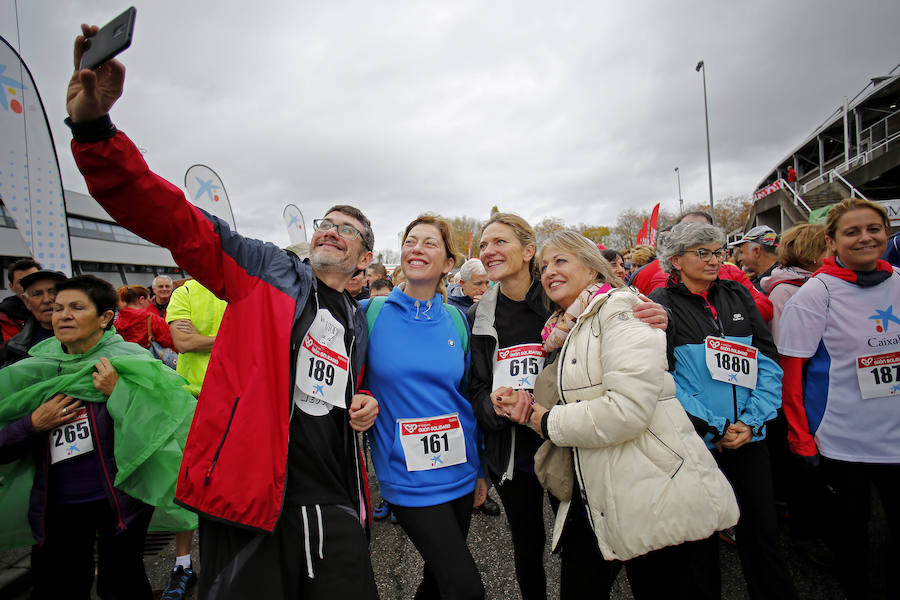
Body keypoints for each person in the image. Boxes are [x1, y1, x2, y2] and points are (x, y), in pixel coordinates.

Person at [65, 26, 380, 599]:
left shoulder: (357, 318)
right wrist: (94, 131)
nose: (330, 230)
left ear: (365, 254)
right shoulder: (266, 272)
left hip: (335, 496)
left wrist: (363, 403)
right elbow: (170, 216)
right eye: (324, 223)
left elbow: (343, 390)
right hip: (253, 495)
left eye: (347, 228)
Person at [521, 231, 738, 599]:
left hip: (649, 490)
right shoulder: (564, 328)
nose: (548, 272)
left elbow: (626, 411)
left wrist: (542, 421)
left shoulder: (621, 309)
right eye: (543, 266)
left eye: (560, 261)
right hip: (595, 489)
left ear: (592, 269)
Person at [469, 213, 669, 600]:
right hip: (515, 453)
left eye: (500, 242)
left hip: (576, 443)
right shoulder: (478, 316)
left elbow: (618, 315)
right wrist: (493, 407)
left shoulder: (561, 297)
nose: (489, 251)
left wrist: (664, 316)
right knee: (528, 547)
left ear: (528, 251)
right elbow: (475, 387)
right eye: (483, 245)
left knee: (589, 541)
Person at [0, 275, 197, 599]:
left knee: (121, 584)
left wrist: (118, 392)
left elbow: (164, 427)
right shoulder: (31, 370)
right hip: (54, 506)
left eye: (77, 307)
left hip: (122, 505)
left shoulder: (132, 362)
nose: (63, 314)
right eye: (59, 308)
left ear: (105, 317)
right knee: (58, 586)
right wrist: (32, 423)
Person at [650, 222, 798, 600]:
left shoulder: (736, 293)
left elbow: (767, 359)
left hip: (749, 436)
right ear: (676, 260)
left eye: (719, 252)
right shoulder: (659, 304)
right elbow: (665, 378)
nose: (714, 260)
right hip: (698, 442)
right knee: (700, 547)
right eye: (703, 252)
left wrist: (751, 421)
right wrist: (716, 425)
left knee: (763, 537)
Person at [778, 198, 900, 599]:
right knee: (855, 538)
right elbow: (792, 374)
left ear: (887, 232)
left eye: (874, 229)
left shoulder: (899, 279)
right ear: (831, 241)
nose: (865, 237)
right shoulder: (817, 293)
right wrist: (800, 437)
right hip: (845, 440)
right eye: (853, 231)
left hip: (896, 434)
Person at [362, 214, 485, 600]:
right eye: (411, 240)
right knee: (465, 589)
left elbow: (463, 395)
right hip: (408, 478)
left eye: (429, 243)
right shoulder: (370, 313)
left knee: (438, 580)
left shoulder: (456, 319)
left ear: (448, 264)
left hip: (461, 473)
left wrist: (480, 468)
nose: (417, 247)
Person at [158, 278, 228, 599]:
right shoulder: (184, 293)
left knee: (232, 485)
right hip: (192, 402)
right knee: (187, 483)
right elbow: (183, 342)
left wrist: (206, 339)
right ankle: (183, 563)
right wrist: (232, 337)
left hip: (236, 399)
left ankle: (234, 559)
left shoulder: (241, 289)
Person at [643, 212, 774, 322]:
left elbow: (765, 308)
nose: (712, 262)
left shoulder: (732, 274)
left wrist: (732, 319)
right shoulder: (663, 281)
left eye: (703, 229)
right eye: (702, 253)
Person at [759, 223, 827, 345]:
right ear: (812, 254)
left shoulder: (824, 281)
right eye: (827, 248)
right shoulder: (783, 291)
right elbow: (780, 340)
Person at [0, 270, 67, 367]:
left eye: (53, 291)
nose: (46, 300)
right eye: (37, 294)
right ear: (26, 301)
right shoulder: (13, 348)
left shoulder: (90, 339)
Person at [113, 285, 175, 350]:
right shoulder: (152, 319)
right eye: (148, 300)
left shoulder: (117, 320)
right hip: (149, 358)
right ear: (141, 299)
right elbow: (170, 341)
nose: (150, 302)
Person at [0, 257, 40, 342]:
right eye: (21, 282)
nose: (29, 285)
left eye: (34, 279)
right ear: (11, 287)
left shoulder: (60, 311)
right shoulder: (3, 318)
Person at [729, 225, 780, 292]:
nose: (739, 259)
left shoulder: (776, 286)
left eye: (742, 252)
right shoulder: (780, 278)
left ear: (757, 251)